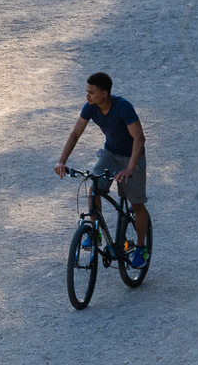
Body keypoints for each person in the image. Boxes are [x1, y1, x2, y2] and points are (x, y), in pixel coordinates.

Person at [54, 72, 150, 266]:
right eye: (86, 91)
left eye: (91, 92)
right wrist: (61, 161)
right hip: (110, 154)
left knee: (137, 205)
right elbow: (75, 133)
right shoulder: (90, 108)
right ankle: (94, 231)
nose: (87, 96)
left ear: (104, 93)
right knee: (94, 186)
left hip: (132, 156)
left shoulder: (123, 107)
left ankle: (141, 248)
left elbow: (139, 139)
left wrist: (130, 168)